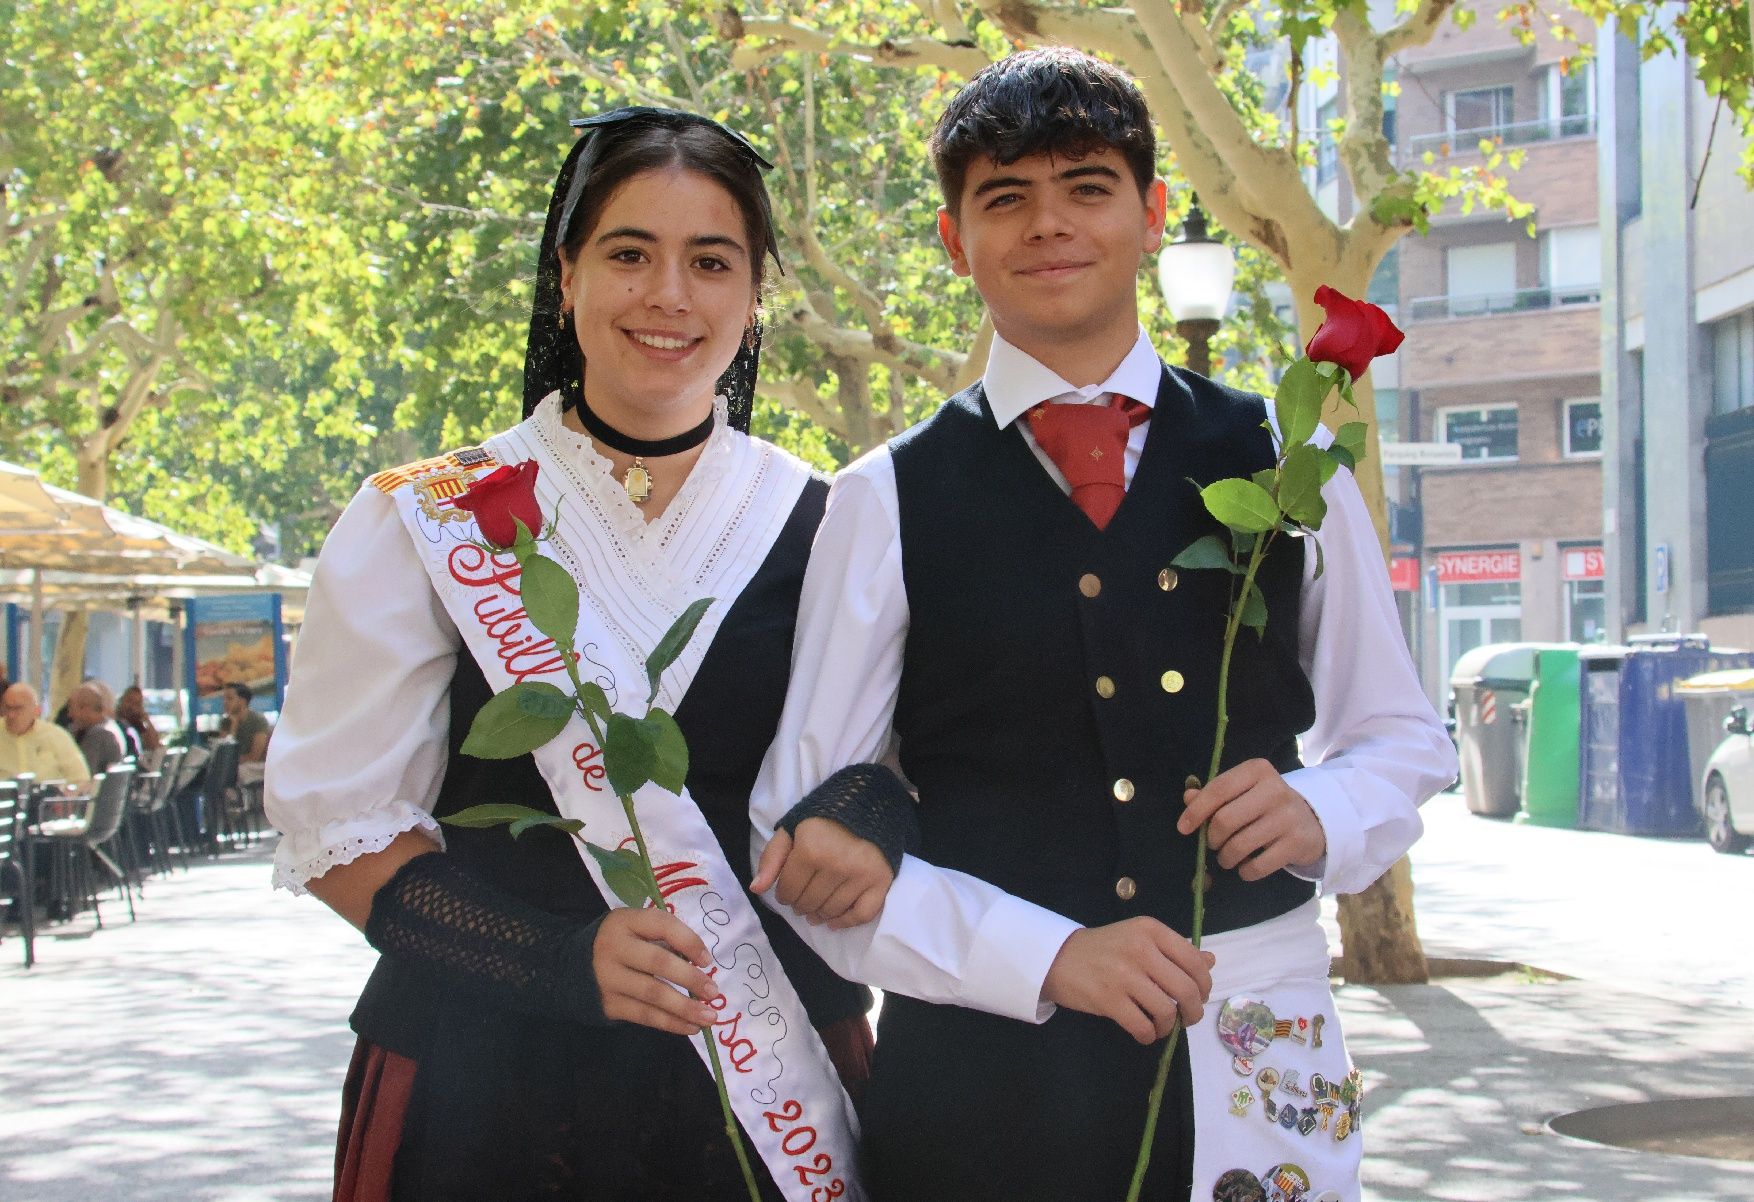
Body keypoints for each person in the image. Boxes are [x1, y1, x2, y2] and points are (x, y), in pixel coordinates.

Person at [748, 49, 1458, 1202]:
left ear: (1151, 214)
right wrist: (1048, 956)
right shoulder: (881, 498)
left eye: (1084, 186)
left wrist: (1317, 804)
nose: (1048, 225)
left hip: (1248, 1055)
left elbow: (1402, 738)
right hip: (984, 1084)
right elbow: (801, 841)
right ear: (951, 237)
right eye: (1003, 197)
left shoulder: (1286, 461)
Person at [265, 107, 890, 1202]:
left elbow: (892, 764)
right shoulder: (423, 520)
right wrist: (557, 959)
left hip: (764, 1095)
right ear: (564, 277)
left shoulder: (838, 520)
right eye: (628, 254)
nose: (669, 295)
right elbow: (342, 831)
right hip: (482, 1087)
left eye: (710, 261)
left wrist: (869, 817)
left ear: (754, 298)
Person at [0, 682, 91, 786]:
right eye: (7, 708)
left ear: (36, 711)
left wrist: (66, 796)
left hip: (47, 798)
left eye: (18, 709)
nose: (11, 715)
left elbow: (80, 778)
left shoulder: (56, 736)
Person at [66, 680, 128, 776]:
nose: (69, 714)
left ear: (85, 708)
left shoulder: (101, 735)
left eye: (71, 708)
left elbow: (82, 774)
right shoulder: (112, 727)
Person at [116, 684, 164, 767]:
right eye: (129, 701)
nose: (132, 707)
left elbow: (155, 746)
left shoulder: (137, 722)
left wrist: (146, 719)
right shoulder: (115, 720)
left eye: (137, 704)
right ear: (122, 700)